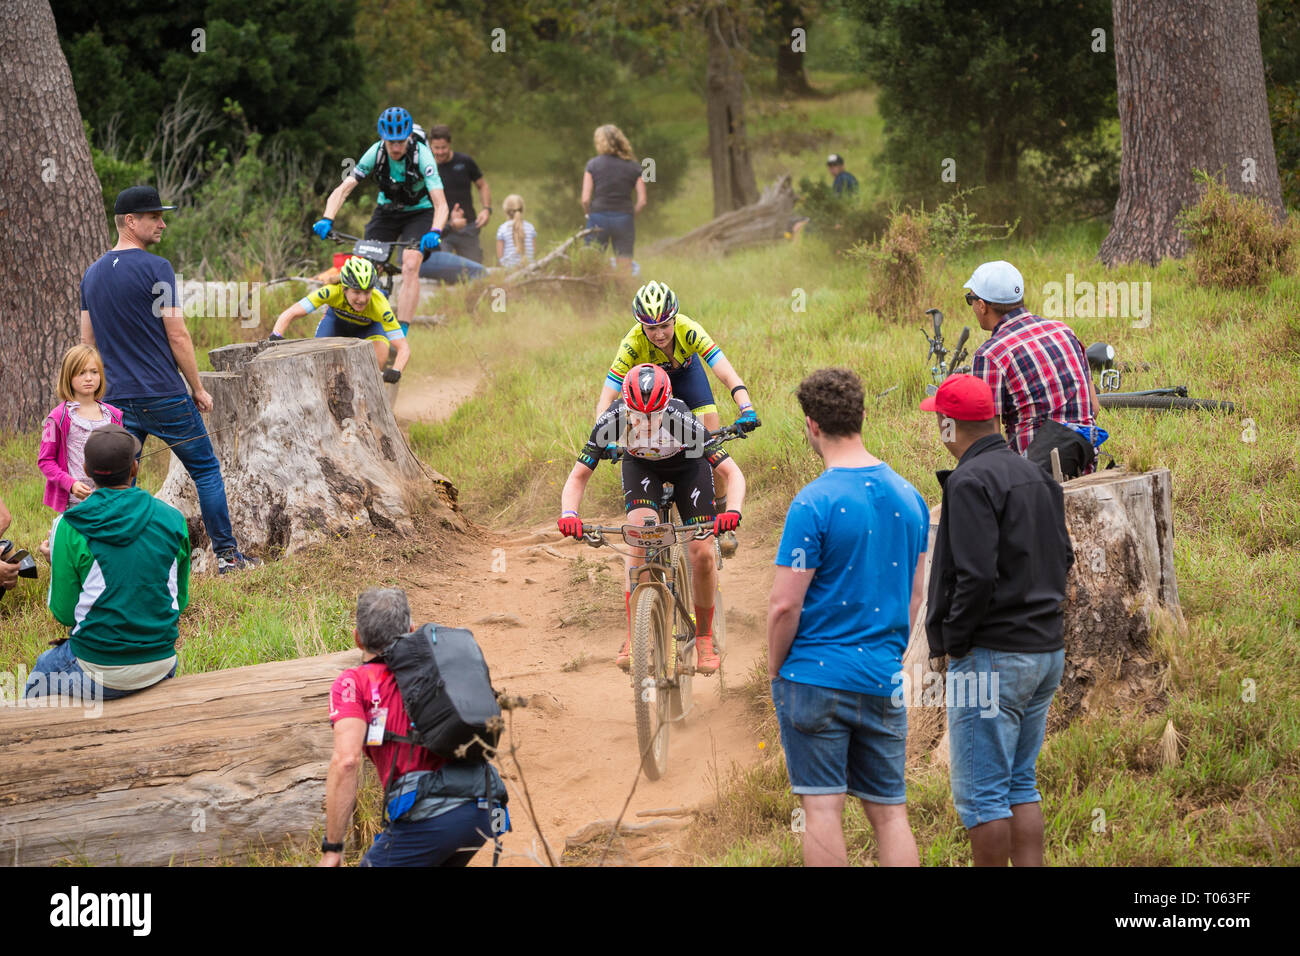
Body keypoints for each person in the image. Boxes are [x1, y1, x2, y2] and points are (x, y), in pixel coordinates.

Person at [767, 368, 929, 867]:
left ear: (812, 425)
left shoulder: (812, 503)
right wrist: (887, 655)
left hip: (814, 677)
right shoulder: (911, 497)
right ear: (861, 416)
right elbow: (916, 596)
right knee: (891, 815)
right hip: (882, 676)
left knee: (822, 810)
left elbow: (784, 605)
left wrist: (776, 668)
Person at [920, 374, 1072, 867]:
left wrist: (957, 641)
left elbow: (976, 576)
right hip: (1045, 652)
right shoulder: (1037, 476)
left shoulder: (969, 482)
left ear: (948, 426)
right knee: (1020, 784)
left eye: (938, 421)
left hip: (993, 657)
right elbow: (1065, 558)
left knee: (983, 797)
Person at [80, 185, 255, 573]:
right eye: (154, 217)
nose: (162, 224)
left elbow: (86, 346)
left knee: (117, 482)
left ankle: (111, 560)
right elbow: (177, 335)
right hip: (164, 395)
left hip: (116, 401)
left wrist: (90, 398)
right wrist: (198, 388)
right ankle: (228, 557)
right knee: (205, 470)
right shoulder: (157, 268)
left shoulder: (90, 276)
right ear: (130, 221)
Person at [558, 364, 746, 674]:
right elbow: (578, 476)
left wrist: (732, 511)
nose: (645, 424)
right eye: (637, 416)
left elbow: (732, 473)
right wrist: (569, 514)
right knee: (639, 538)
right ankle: (635, 635)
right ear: (626, 407)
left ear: (667, 406)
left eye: (654, 416)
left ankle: (703, 637)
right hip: (642, 468)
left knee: (702, 553)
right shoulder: (612, 419)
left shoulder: (682, 421)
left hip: (688, 467)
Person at [322, 588, 505, 867]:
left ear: (357, 638)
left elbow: (346, 761)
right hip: (486, 806)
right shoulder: (436, 667)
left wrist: (332, 848)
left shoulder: (353, 682)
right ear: (411, 630)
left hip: (431, 817)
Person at [24, 425, 190, 702]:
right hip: (161, 662)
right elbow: (179, 600)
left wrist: (58, 562)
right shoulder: (173, 518)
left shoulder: (69, 525)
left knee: (41, 672)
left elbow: (64, 613)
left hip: (97, 667)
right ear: (134, 468)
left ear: (86, 470)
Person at [593, 280, 758, 555]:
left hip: (688, 378)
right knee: (645, 438)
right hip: (652, 387)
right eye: (651, 328)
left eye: (665, 325)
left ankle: (720, 515)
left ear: (674, 319)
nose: (659, 334)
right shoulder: (631, 343)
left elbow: (727, 374)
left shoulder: (688, 329)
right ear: (641, 326)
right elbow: (606, 398)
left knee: (708, 443)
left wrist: (747, 408)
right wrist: (606, 438)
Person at [312, 108, 449, 332]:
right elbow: (344, 189)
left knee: (410, 263)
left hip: (420, 212)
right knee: (367, 266)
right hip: (386, 211)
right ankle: (360, 324)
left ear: (409, 137)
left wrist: (435, 230)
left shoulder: (423, 155)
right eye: (391, 142)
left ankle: (401, 331)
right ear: (383, 138)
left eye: (400, 142)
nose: (395, 148)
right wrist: (327, 218)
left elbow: (441, 203)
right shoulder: (375, 152)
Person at [965, 260, 1099, 472]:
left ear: (982, 305)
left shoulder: (990, 355)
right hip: (1084, 464)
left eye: (970, 299)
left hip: (1032, 478)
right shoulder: (1064, 331)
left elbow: (988, 439)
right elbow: (1094, 407)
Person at [270, 257, 409, 382]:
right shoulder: (331, 291)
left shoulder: (380, 305)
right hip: (336, 323)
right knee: (319, 361)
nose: (362, 299)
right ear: (344, 288)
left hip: (369, 328)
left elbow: (403, 347)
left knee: (376, 362)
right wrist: (276, 335)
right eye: (356, 292)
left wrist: (397, 370)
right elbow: (291, 313)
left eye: (367, 292)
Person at [38, 345, 124, 513]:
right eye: (81, 373)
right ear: (68, 377)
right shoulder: (55, 418)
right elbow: (45, 461)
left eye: (94, 372)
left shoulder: (114, 416)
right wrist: (71, 484)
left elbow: (121, 456)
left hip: (108, 500)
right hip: (75, 503)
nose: (89, 378)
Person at [581, 124, 646, 272]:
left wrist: (588, 214)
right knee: (625, 267)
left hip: (598, 217)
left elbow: (585, 199)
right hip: (624, 218)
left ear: (599, 142)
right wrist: (630, 216)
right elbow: (642, 201)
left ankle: (593, 287)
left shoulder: (592, 164)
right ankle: (624, 286)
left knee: (591, 264)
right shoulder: (634, 167)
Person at [427, 124, 491, 264]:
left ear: (450, 144)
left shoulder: (464, 162)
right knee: (442, 267)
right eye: (436, 148)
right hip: (441, 230)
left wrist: (486, 209)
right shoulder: (427, 167)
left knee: (475, 269)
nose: (440, 152)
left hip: (468, 226)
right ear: (430, 146)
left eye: (443, 147)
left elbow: (482, 185)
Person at [495, 194, 537, 268]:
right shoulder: (530, 227)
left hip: (509, 269)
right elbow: (533, 252)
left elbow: (500, 257)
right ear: (522, 209)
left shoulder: (502, 228)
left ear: (506, 210)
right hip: (529, 267)